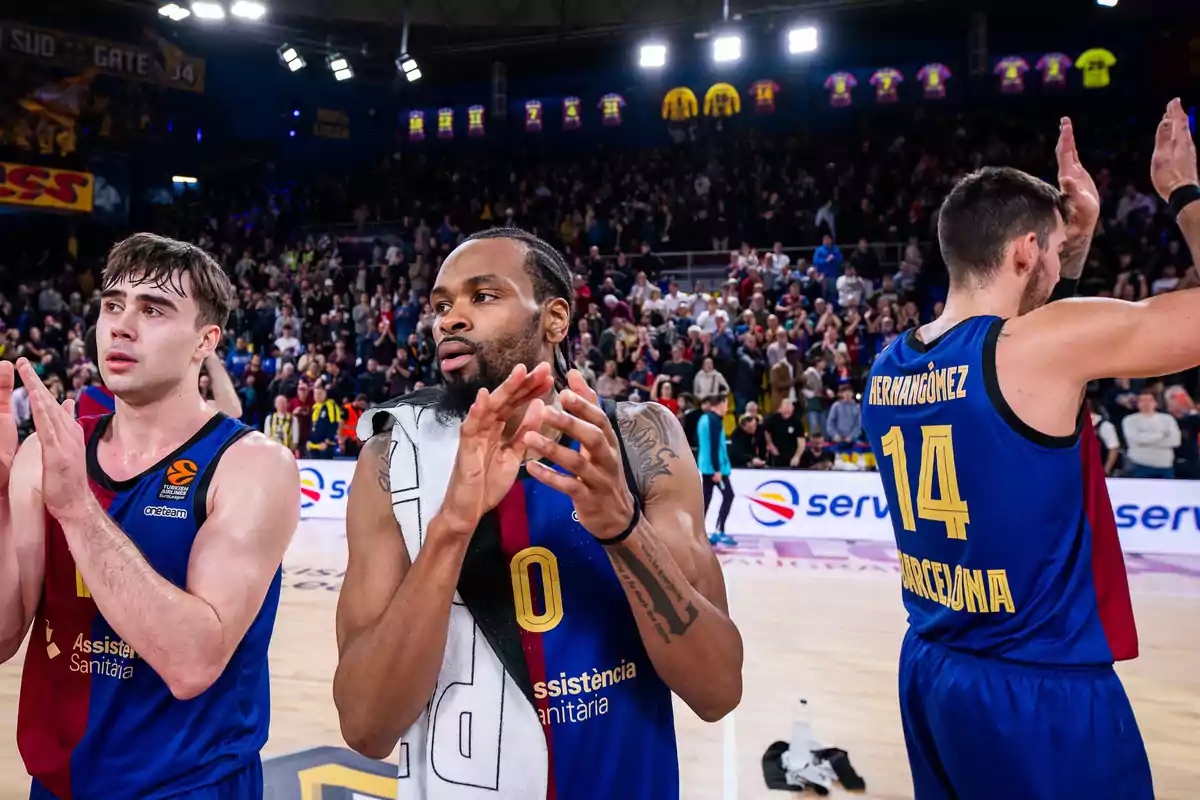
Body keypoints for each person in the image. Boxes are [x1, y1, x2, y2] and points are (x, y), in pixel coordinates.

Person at [861, 103, 1199, 800]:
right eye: (1047, 249)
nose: (1055, 261)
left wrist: (1071, 238)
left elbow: (1027, 358)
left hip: (932, 668)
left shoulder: (888, 366)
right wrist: (1185, 193)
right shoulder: (1040, 349)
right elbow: (1042, 342)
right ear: (1022, 252)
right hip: (1039, 689)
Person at [332, 228, 742, 800]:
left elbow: (717, 690)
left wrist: (623, 528)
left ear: (554, 320)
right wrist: (452, 525)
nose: (450, 319)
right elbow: (366, 726)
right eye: (441, 304)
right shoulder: (392, 456)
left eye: (483, 296)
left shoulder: (639, 437)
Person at [2, 233, 299, 798]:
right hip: (57, 783)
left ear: (203, 342)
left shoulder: (252, 466)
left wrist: (76, 509)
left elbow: (192, 664)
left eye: (153, 310)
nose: (121, 325)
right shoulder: (52, 449)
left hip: (189, 785)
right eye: (112, 305)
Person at [697, 395, 734, 545]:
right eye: (726, 404)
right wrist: (717, 470)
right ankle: (719, 531)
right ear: (720, 404)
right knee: (728, 495)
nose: (727, 408)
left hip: (707, 466)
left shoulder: (705, 418)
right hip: (715, 468)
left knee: (706, 499)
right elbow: (713, 446)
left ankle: (697, 533)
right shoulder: (714, 420)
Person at [1121, 388, 1181, 478]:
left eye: (1149, 400)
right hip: (1139, 465)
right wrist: (1161, 435)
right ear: (1137, 404)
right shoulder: (1130, 420)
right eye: (1142, 400)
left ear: (1156, 403)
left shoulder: (1167, 419)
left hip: (1165, 466)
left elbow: (1175, 441)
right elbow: (1136, 440)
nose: (1146, 403)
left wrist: (1146, 439)